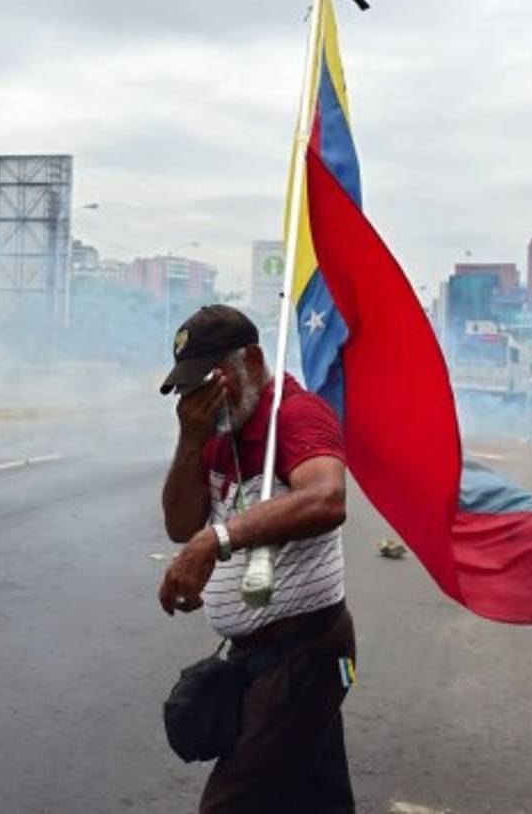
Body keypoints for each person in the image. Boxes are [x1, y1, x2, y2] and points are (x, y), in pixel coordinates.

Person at [157, 304, 356, 814]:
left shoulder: (295, 414)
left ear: (251, 361)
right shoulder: (215, 431)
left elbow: (327, 499)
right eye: (188, 388)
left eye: (209, 379)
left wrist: (213, 542)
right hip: (261, 653)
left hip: (301, 652)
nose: (200, 398)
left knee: (235, 802)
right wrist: (189, 439)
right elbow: (180, 524)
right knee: (318, 797)